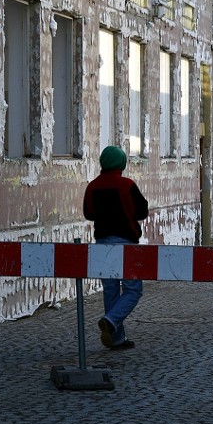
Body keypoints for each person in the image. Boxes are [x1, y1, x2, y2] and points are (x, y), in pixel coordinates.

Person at [83, 145, 149, 350]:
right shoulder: (126, 185)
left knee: (110, 290)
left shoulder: (92, 186)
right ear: (121, 163)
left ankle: (116, 339)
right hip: (126, 243)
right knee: (132, 290)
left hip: (102, 243)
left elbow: (88, 213)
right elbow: (142, 211)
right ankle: (111, 321)